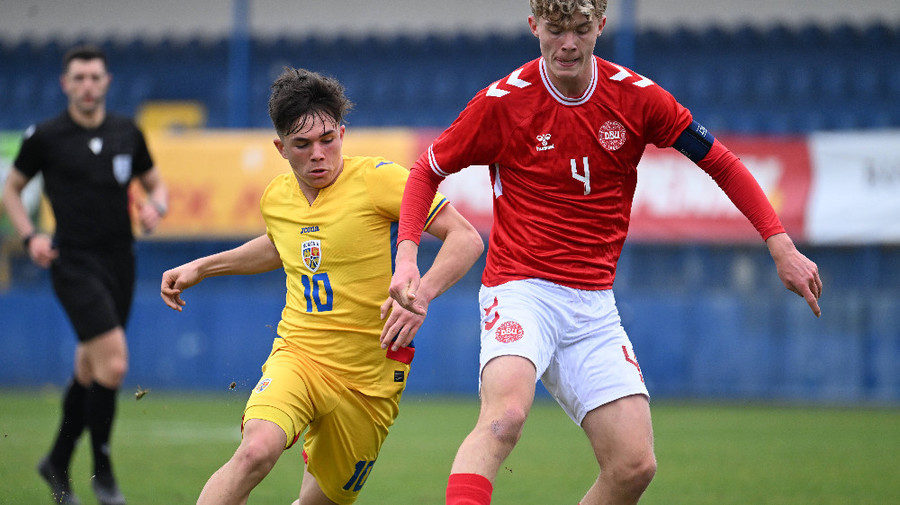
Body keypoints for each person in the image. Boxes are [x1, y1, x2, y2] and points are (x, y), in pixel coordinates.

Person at [388, 1, 824, 504]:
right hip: (519, 290)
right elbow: (425, 171)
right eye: (555, 30)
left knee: (633, 464)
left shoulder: (637, 98)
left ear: (600, 27)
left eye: (580, 30)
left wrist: (781, 245)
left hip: (593, 305)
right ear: (534, 28)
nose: (567, 44)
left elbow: (720, 162)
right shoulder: (503, 103)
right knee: (504, 418)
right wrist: (406, 258)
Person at [159, 67, 482, 505]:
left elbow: (465, 238)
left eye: (327, 140)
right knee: (256, 450)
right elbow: (281, 247)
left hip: (370, 381)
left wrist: (419, 295)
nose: (318, 154)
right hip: (300, 355)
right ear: (280, 148)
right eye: (302, 144)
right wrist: (204, 266)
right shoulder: (277, 197)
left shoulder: (378, 180)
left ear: (342, 134)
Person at [2, 45, 169, 505]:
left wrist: (157, 206)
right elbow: (11, 190)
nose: (88, 85)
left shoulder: (126, 133)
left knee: (89, 367)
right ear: (65, 84)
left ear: (107, 81)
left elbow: (156, 183)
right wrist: (30, 234)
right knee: (114, 363)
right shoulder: (46, 136)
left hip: (120, 260)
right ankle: (103, 471)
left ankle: (55, 460)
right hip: (71, 261)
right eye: (79, 77)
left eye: (95, 77)